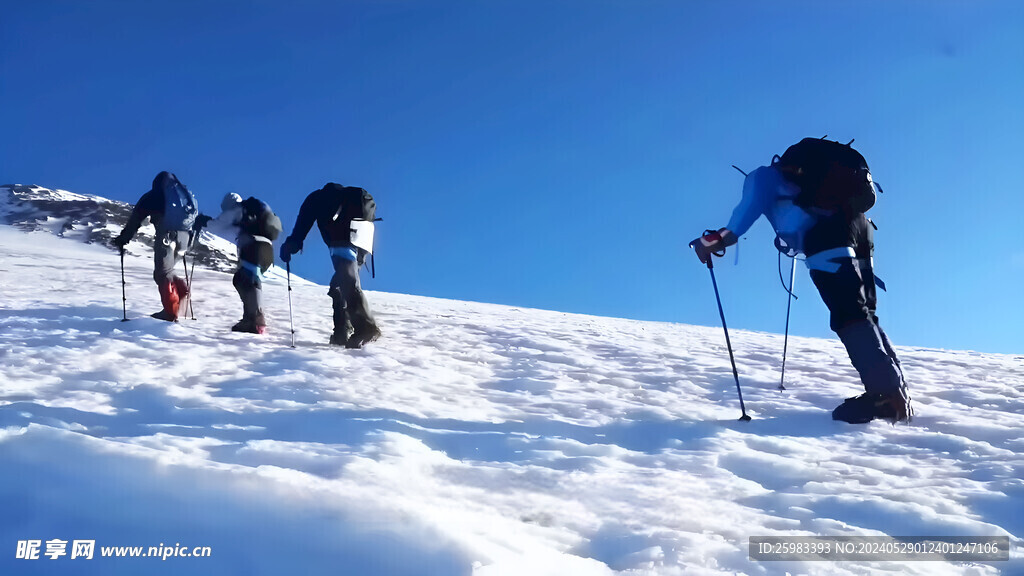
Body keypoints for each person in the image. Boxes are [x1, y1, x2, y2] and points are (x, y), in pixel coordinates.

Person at [689, 140, 911, 424]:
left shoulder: (763, 177)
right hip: (861, 230)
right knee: (865, 314)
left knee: (849, 315)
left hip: (824, 236)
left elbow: (741, 218)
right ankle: (895, 393)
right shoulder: (829, 185)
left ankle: (884, 398)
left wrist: (713, 241)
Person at [279, 182, 381, 349]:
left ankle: (365, 327)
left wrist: (291, 245)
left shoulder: (316, 199)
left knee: (345, 281)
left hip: (341, 236)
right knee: (339, 284)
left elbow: (302, 224)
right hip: (363, 235)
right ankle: (342, 332)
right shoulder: (352, 199)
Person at [112, 171, 198, 322]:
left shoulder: (152, 196)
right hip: (185, 238)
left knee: (162, 273)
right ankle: (181, 292)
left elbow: (135, 220)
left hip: (166, 235)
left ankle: (170, 312)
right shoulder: (184, 196)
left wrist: (123, 239)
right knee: (168, 271)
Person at [205, 193, 282, 334]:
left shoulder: (237, 210)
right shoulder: (256, 211)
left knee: (247, 280)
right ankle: (250, 318)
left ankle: (256, 321)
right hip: (267, 249)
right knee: (245, 279)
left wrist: (204, 222)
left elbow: (216, 226)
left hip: (253, 247)